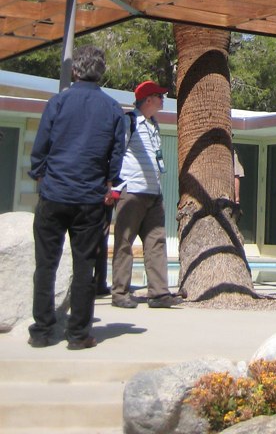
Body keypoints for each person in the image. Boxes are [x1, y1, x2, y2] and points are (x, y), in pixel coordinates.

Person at [28, 46, 126, 350]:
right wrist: (107, 182)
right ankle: (78, 335)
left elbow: (40, 146)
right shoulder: (113, 109)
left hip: (55, 193)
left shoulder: (57, 102)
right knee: (84, 266)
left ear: (75, 71)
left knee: (46, 264)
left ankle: (42, 331)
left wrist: (40, 175)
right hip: (89, 198)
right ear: (101, 72)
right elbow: (117, 155)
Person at [110, 81, 183, 309]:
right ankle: (120, 292)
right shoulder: (128, 121)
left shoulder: (154, 124)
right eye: (159, 96)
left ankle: (159, 293)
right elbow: (116, 152)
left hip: (154, 194)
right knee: (124, 242)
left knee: (156, 242)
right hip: (131, 191)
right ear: (148, 99)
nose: (163, 100)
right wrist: (114, 185)